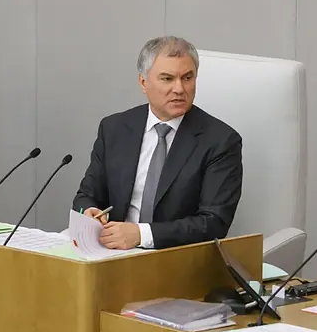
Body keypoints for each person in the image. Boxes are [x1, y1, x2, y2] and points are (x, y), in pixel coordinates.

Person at [73, 36, 242, 250]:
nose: (179, 89)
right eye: (167, 79)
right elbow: (86, 196)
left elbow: (214, 222)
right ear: (143, 82)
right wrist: (88, 212)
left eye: (187, 78)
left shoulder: (220, 141)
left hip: (175, 257)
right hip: (111, 252)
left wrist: (141, 235)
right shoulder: (114, 128)